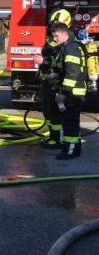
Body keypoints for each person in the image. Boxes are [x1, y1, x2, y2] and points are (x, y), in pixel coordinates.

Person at [51, 21, 86, 160]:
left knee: (70, 123)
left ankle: (70, 152)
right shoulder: (67, 46)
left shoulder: (71, 48)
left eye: (56, 36)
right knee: (71, 122)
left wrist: (64, 93)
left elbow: (72, 73)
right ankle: (74, 149)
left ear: (64, 33)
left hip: (73, 93)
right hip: (72, 92)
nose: (54, 39)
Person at [32, 35, 62, 149]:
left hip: (54, 84)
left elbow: (58, 63)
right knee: (47, 111)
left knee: (54, 113)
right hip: (46, 82)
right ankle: (52, 136)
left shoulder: (62, 45)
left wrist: (43, 61)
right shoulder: (50, 41)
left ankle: (57, 139)